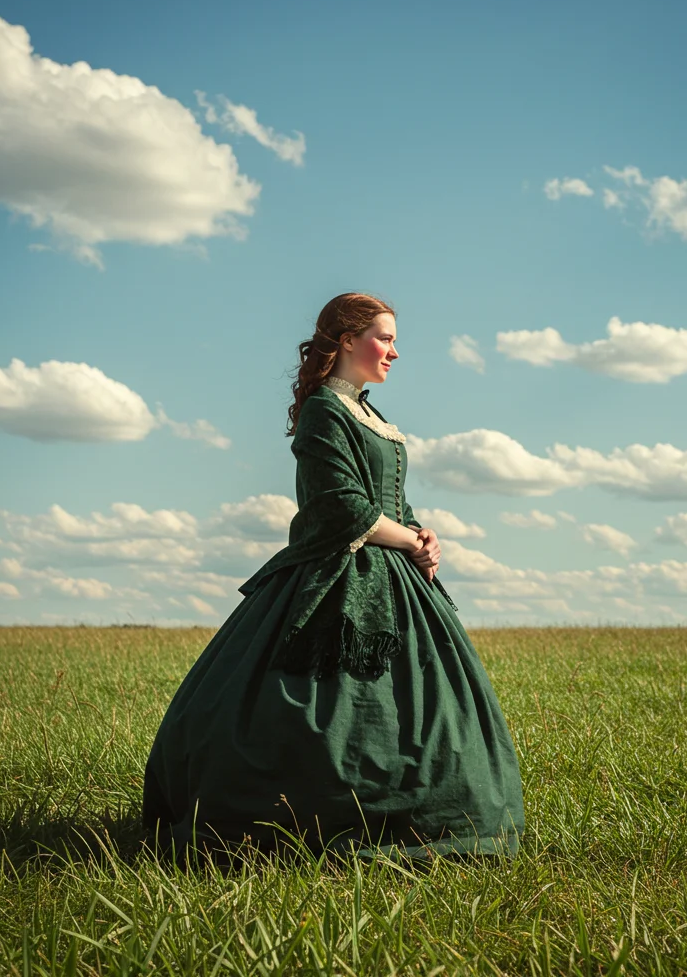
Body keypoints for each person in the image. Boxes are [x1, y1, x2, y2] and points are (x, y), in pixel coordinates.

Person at [142, 292, 524, 861]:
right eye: (385, 337)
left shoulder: (375, 417)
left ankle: (429, 812)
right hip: (333, 576)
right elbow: (341, 507)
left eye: (394, 339)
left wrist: (423, 534)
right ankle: (311, 816)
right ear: (347, 340)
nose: (395, 350)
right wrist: (409, 539)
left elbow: (393, 502)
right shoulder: (325, 408)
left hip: (394, 575)